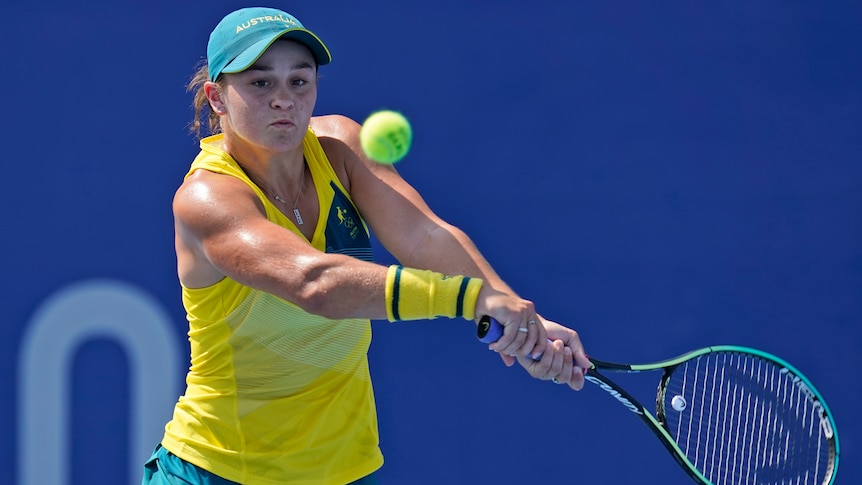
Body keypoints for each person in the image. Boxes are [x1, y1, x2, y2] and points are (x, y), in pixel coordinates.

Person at [143, 6, 591, 485]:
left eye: (299, 82)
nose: (283, 100)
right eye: (260, 84)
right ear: (217, 97)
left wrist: (518, 317)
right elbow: (314, 283)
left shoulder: (340, 145)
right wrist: (469, 299)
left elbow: (424, 234)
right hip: (220, 470)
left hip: (346, 469)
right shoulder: (206, 199)